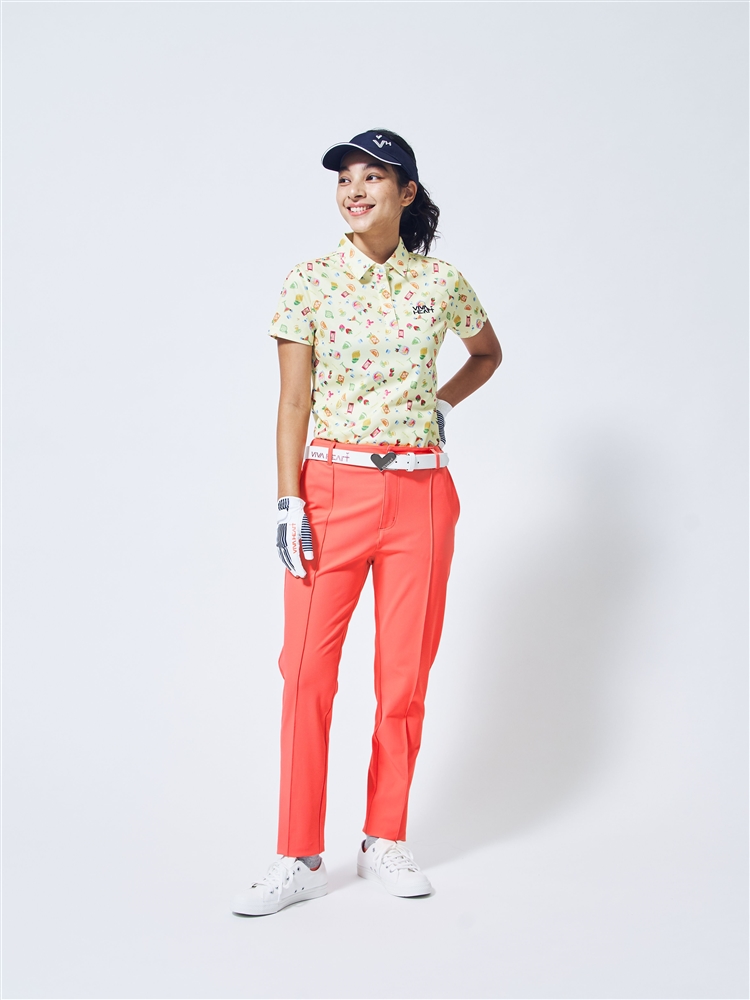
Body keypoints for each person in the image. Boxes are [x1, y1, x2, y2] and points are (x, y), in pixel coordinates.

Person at [233, 130, 502, 916]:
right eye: (344, 179)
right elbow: (292, 399)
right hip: (332, 488)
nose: (354, 191)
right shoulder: (310, 282)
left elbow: (487, 354)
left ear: (406, 193)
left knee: (403, 676)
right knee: (306, 673)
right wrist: (288, 498)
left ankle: (385, 837)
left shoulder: (441, 282)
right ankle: (298, 854)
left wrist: (441, 402)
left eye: (373, 177)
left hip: (421, 495)